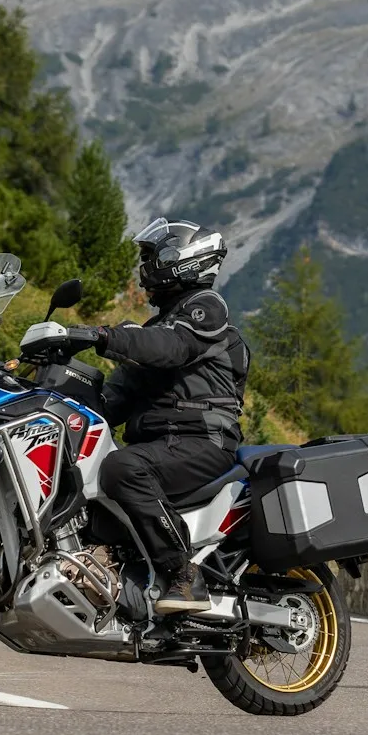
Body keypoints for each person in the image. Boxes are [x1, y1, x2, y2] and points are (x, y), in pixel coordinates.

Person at [84, 217, 250, 614]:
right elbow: (115, 399)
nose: (144, 267)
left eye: (150, 256)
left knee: (124, 468)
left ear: (181, 260)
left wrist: (105, 336)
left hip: (203, 442)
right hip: (164, 445)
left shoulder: (205, 310)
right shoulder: (155, 331)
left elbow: (170, 348)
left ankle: (183, 573)